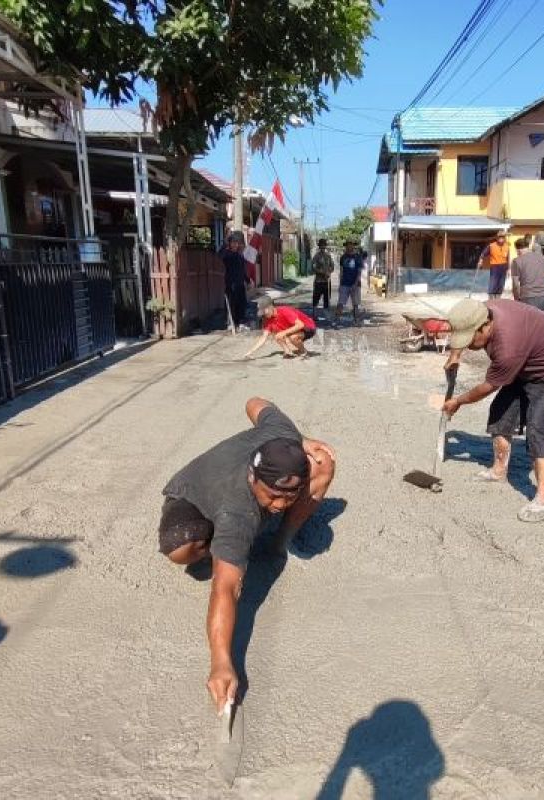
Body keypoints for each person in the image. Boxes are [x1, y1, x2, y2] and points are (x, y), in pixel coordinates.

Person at [158, 398, 336, 712]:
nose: (281, 505)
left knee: (321, 460)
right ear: (254, 479)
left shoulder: (282, 431)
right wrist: (222, 663)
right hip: (194, 494)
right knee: (181, 548)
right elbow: (225, 589)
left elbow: (254, 402)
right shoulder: (236, 510)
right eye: (273, 496)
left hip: (244, 491)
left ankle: (279, 543)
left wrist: (300, 439)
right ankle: (219, 542)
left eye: (288, 497)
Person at [442, 298, 544, 523]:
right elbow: (465, 329)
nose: (469, 345)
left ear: (485, 326)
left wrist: (458, 401)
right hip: (527, 365)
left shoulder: (508, 347)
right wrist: (455, 354)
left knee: (538, 423)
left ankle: (542, 498)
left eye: (470, 340)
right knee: (501, 410)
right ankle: (499, 471)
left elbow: (488, 387)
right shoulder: (480, 311)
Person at [242, 298, 317, 359]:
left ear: (271, 307)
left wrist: (284, 333)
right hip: (295, 329)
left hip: (308, 327)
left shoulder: (284, 311)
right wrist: (251, 352)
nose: (264, 315)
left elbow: (301, 325)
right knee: (277, 335)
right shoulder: (267, 320)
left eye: (264, 312)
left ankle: (304, 352)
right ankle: (288, 352)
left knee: (292, 337)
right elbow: (263, 337)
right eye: (262, 313)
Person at [509, 235, 544, 313]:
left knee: (530, 324)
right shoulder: (542, 258)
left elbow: (515, 284)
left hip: (528, 298)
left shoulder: (517, 261)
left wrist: (517, 299)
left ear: (518, 250)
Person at [221, 232, 250, 329]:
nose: (235, 244)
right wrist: (226, 242)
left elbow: (242, 270)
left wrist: (248, 280)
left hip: (240, 283)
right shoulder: (226, 254)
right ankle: (230, 323)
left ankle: (240, 322)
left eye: (237, 242)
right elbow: (220, 254)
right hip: (231, 283)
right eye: (233, 242)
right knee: (231, 303)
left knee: (241, 303)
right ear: (229, 243)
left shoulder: (239, 255)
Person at [334, 240, 365, 326]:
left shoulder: (358, 257)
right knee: (340, 302)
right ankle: (337, 320)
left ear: (353, 246)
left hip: (355, 284)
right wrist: (340, 284)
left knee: (356, 304)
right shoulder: (343, 257)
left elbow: (359, 273)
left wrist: (355, 284)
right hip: (344, 283)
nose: (348, 247)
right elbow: (341, 271)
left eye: (350, 245)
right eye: (347, 245)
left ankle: (356, 320)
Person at [478, 232, 511, 299]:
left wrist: (509, 269)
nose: (501, 238)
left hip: (503, 267)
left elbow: (508, 258)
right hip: (495, 266)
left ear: (504, 238)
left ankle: (498, 299)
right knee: (493, 283)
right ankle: (491, 299)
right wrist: (480, 261)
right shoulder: (491, 246)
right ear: (497, 238)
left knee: (501, 284)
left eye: (503, 237)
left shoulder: (507, 247)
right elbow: (483, 254)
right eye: (500, 237)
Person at [311, 238, 335, 316]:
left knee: (327, 297)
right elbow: (313, 267)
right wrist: (322, 272)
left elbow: (332, 266)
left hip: (327, 281)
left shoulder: (328, 256)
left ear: (325, 246)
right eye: (321, 246)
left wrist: (329, 272)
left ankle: (326, 314)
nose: (322, 247)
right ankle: (314, 313)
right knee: (316, 297)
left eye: (324, 245)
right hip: (319, 281)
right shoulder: (316, 256)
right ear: (319, 246)